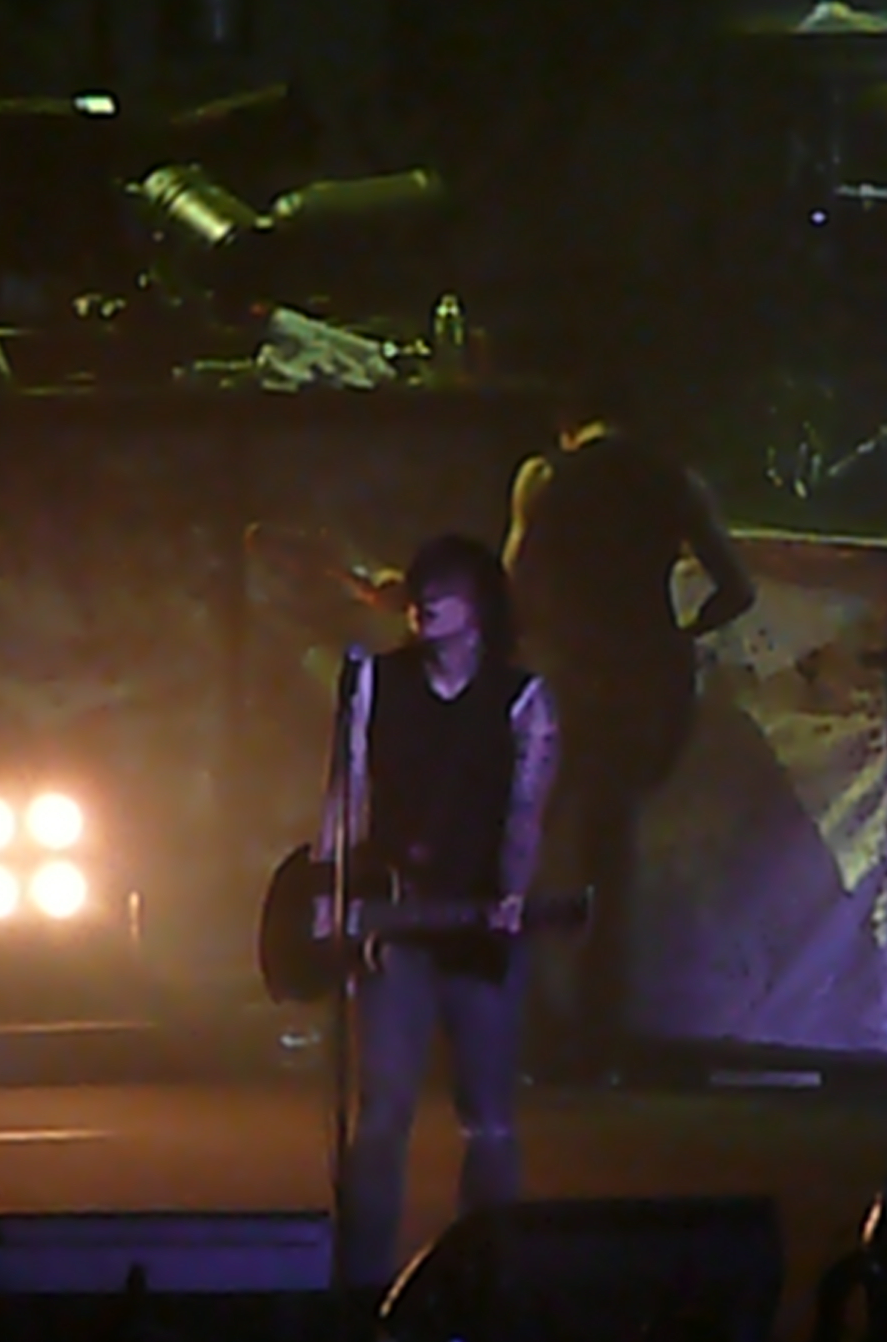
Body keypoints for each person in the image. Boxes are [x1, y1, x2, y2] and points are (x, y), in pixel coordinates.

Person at [317, 534, 558, 1288]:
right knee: (382, 1110)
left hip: (479, 927)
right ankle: (361, 1285)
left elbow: (527, 810)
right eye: (421, 589)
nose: (426, 604)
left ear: (479, 606)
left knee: (488, 1115)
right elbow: (346, 795)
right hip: (395, 924)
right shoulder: (374, 682)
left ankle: (485, 1281)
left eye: (445, 590)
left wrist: (512, 895)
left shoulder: (523, 697)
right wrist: (329, 896)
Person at [504, 376, 754, 1082]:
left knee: (523, 851)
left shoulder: (545, 479)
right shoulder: (672, 481)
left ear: (568, 423)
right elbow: (737, 589)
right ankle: (599, 1042)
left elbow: (510, 588)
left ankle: (530, 1032)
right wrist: (680, 636)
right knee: (608, 864)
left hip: (566, 681)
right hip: (644, 685)